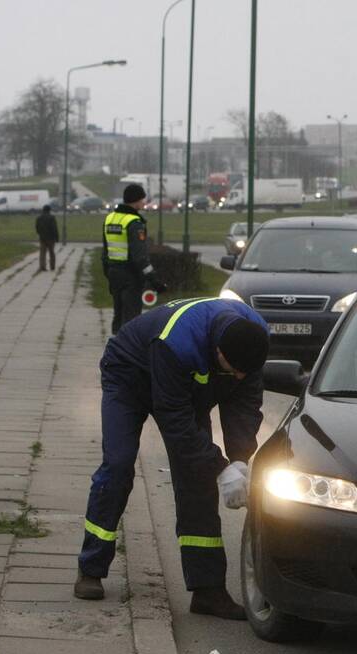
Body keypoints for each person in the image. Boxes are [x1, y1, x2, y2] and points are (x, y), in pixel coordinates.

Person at [74, 297, 270, 620]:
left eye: (241, 373)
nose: (236, 377)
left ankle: (208, 591)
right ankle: (91, 567)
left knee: (198, 482)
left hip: (186, 389)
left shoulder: (252, 342)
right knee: (119, 465)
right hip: (130, 376)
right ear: (218, 350)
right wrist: (221, 469)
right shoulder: (177, 342)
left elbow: (244, 407)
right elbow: (175, 423)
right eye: (231, 370)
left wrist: (240, 461)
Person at [103, 184, 165, 334]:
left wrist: (108, 272)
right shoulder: (134, 223)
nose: (144, 203)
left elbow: (105, 251)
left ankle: (115, 346)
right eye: (142, 199)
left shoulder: (110, 218)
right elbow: (140, 257)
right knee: (131, 318)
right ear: (136, 200)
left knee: (118, 314)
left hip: (114, 273)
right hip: (130, 275)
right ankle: (127, 350)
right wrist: (154, 280)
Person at [35, 204, 58, 272]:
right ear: (49, 210)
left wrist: (39, 233)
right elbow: (54, 228)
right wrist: (56, 237)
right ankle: (52, 266)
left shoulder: (39, 218)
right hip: (51, 238)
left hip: (42, 238)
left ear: (43, 210)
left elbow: (37, 227)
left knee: (42, 253)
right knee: (52, 252)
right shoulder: (52, 217)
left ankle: (42, 266)